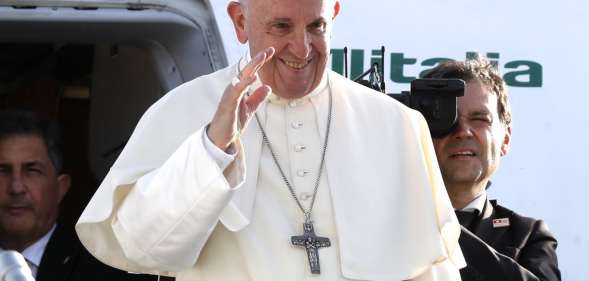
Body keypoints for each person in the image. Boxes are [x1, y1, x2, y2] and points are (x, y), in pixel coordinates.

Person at [75, 0, 465, 280]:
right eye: (281, 27)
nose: (302, 48)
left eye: (317, 27)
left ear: (335, 16)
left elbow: (432, 271)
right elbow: (141, 248)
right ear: (240, 21)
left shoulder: (393, 125)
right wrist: (212, 150)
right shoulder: (183, 110)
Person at [423, 58, 561, 281]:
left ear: (505, 139)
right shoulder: (380, 222)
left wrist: (441, 228)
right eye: (449, 118)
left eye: (479, 118)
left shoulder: (529, 235)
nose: (463, 131)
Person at [0, 110, 167, 281]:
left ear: (61, 187)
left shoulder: (109, 266)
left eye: (32, 171)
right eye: (3, 171)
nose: (16, 187)